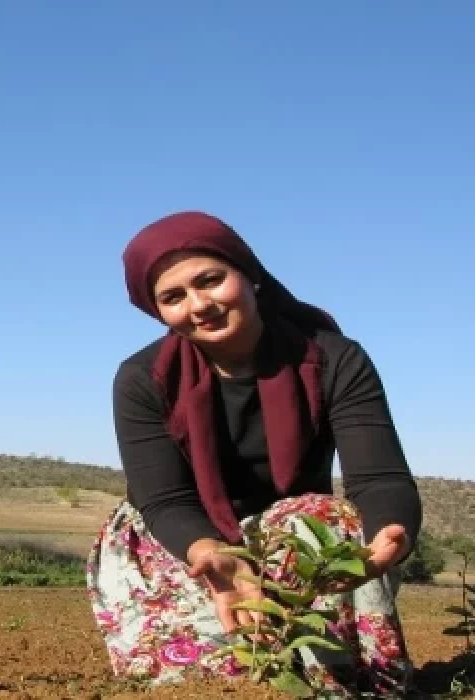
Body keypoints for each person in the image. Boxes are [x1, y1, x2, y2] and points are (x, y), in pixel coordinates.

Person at [87, 210, 423, 698]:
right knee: (209, 681)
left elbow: (379, 479)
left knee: (327, 529)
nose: (199, 305)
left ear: (250, 275)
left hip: (293, 534)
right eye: (174, 297)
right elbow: (165, 500)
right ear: (158, 312)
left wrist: (391, 531)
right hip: (184, 541)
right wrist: (211, 553)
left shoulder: (334, 359)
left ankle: (363, 681)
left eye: (210, 280)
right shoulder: (142, 379)